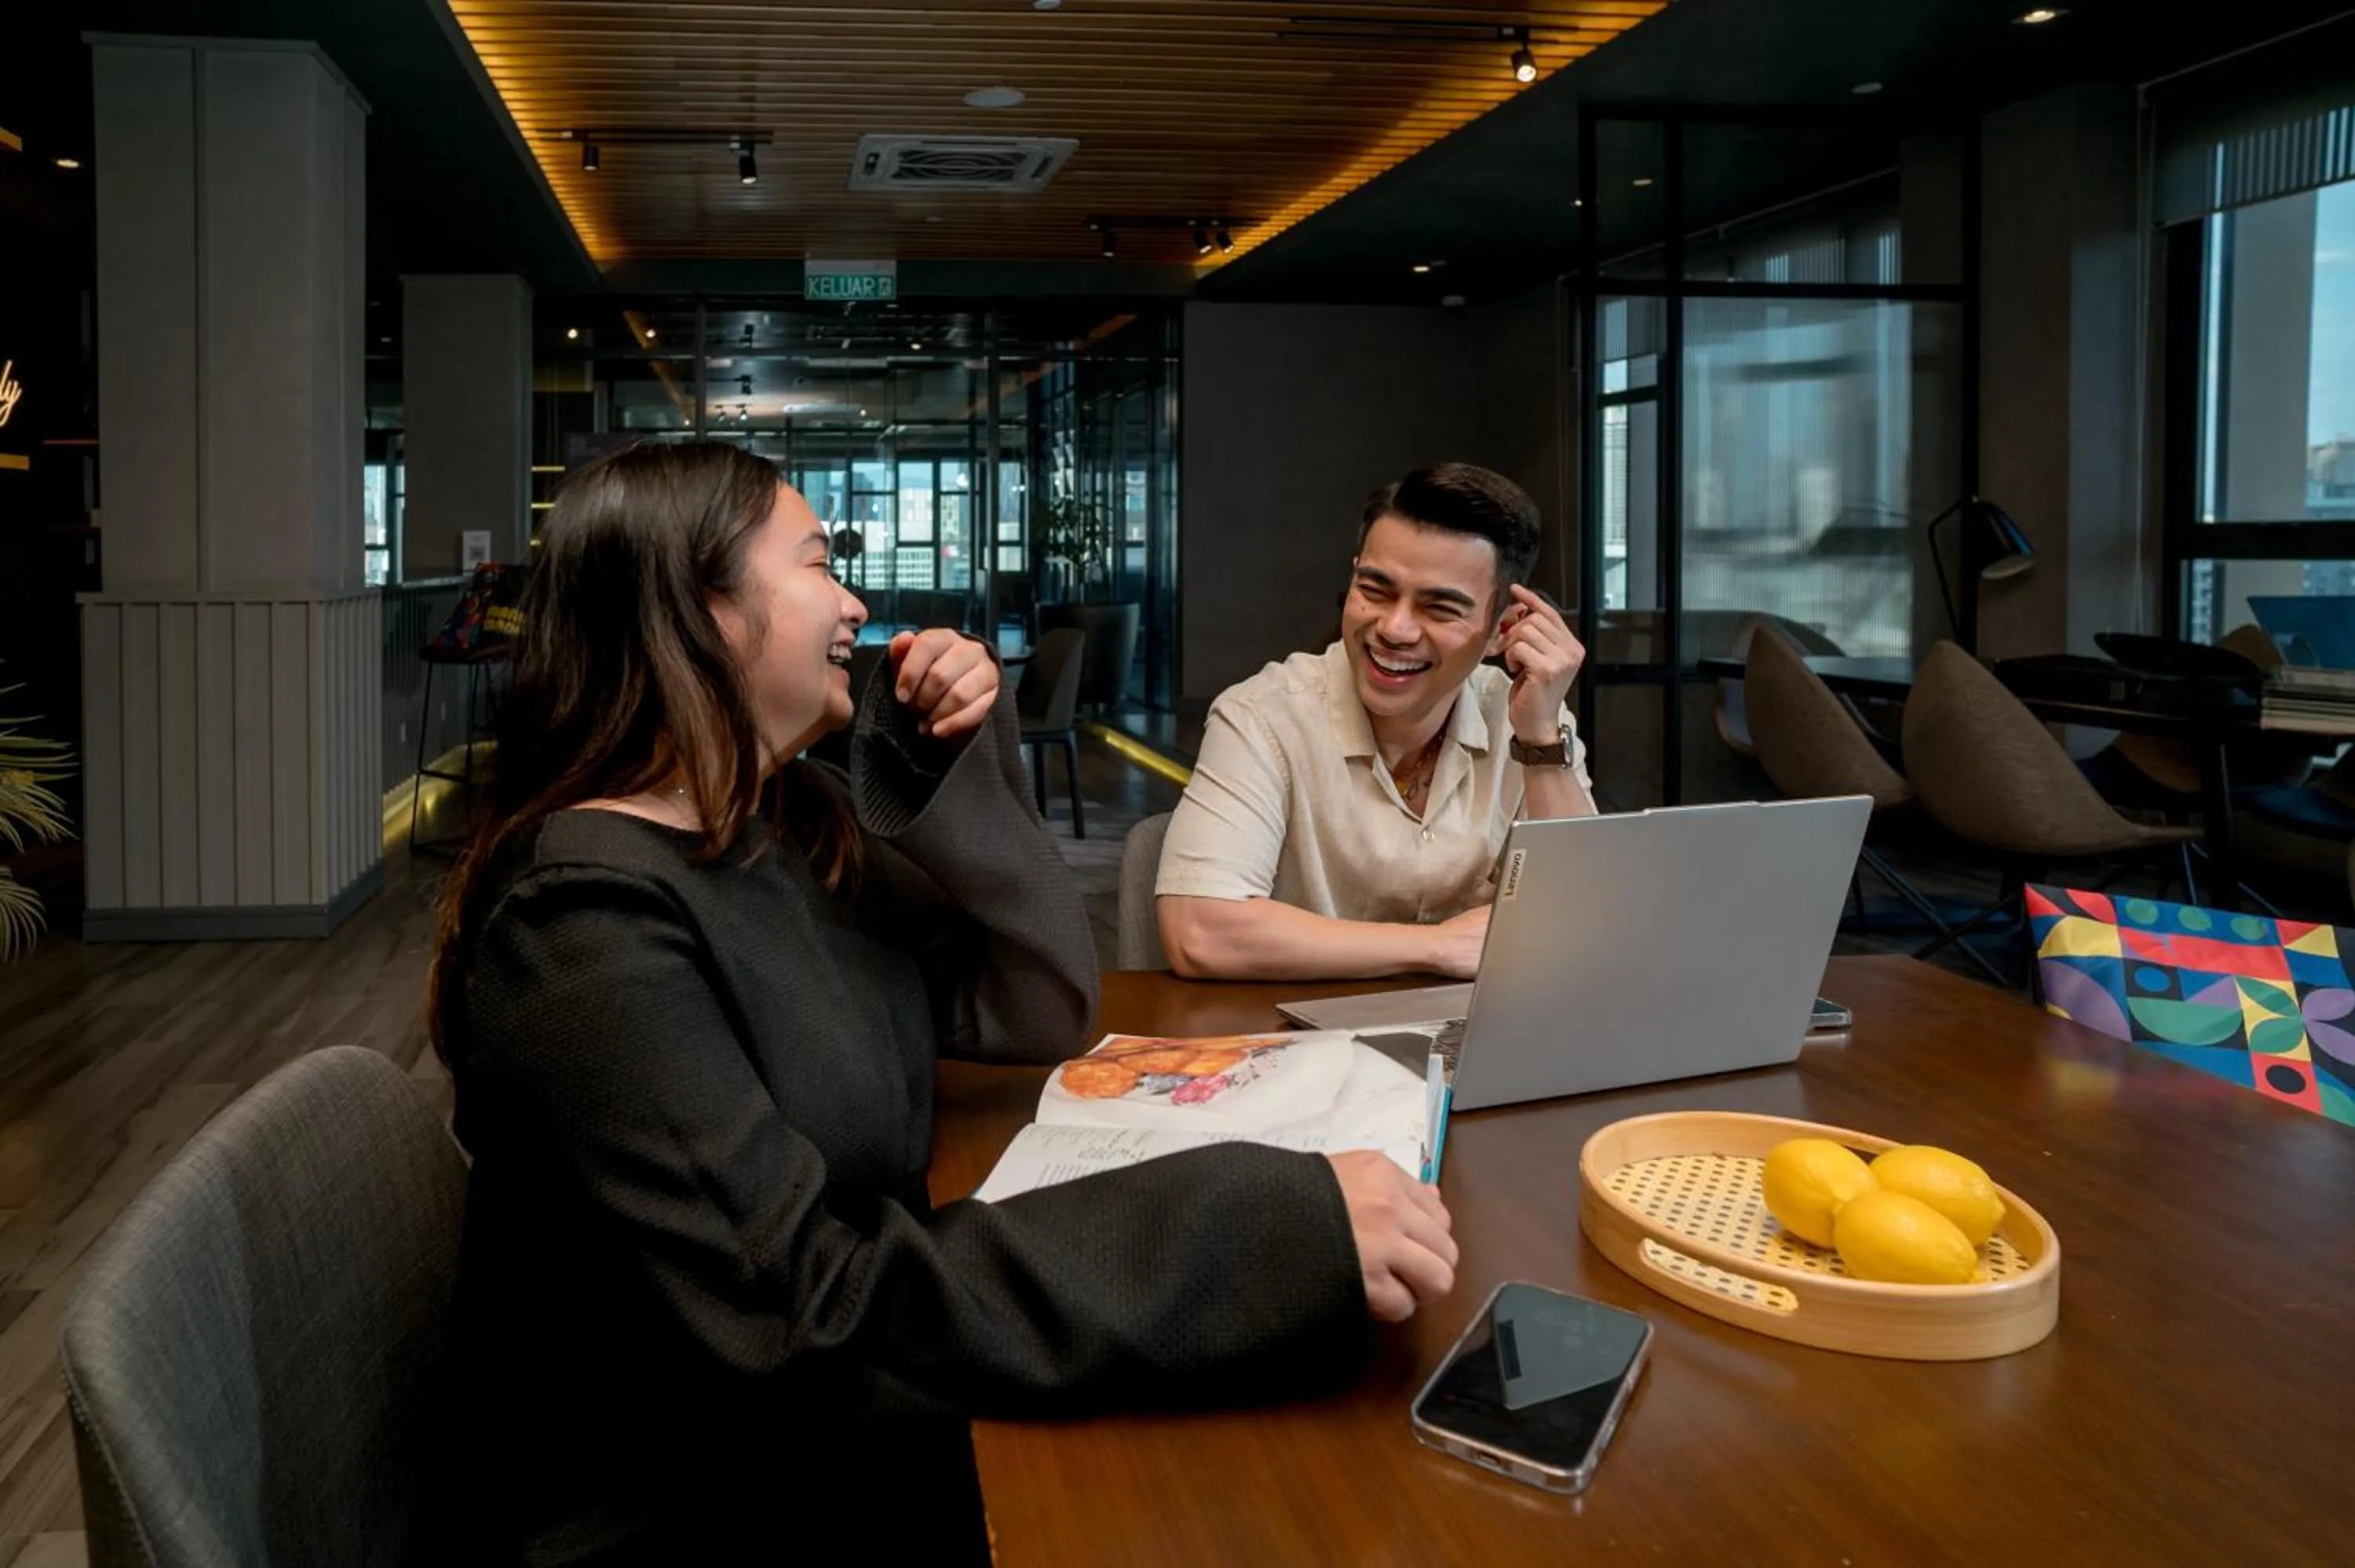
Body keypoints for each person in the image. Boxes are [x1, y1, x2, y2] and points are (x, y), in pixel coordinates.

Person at [428, 442, 1457, 1565]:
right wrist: (1268, 1225)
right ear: (701, 608)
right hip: (700, 1493)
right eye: (819, 561)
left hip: (816, 1429)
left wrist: (947, 760)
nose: (855, 600)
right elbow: (805, 1311)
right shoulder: (582, 924)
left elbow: (1036, 1004)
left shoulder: (783, 823)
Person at [1158, 463, 1596, 983]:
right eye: (1377, 590)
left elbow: (1586, 922)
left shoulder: (1525, 714)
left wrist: (1541, 738)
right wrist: (1436, 947)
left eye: (1439, 608)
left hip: (1478, 1042)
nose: (1394, 628)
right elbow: (1199, 932)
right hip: (1293, 1040)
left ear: (1502, 630)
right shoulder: (1262, 716)